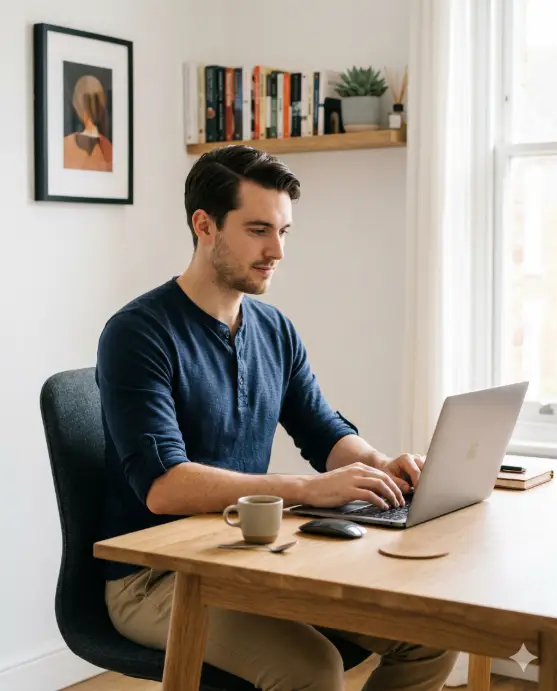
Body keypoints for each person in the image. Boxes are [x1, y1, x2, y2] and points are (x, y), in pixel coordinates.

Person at [96, 145, 457, 691]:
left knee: (433, 632)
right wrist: (309, 490)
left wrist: (384, 467)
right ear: (205, 225)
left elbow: (324, 432)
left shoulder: (274, 330)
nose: (277, 251)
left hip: (250, 553)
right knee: (311, 670)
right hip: (155, 574)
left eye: (284, 232)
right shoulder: (138, 333)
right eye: (259, 229)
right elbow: (164, 488)